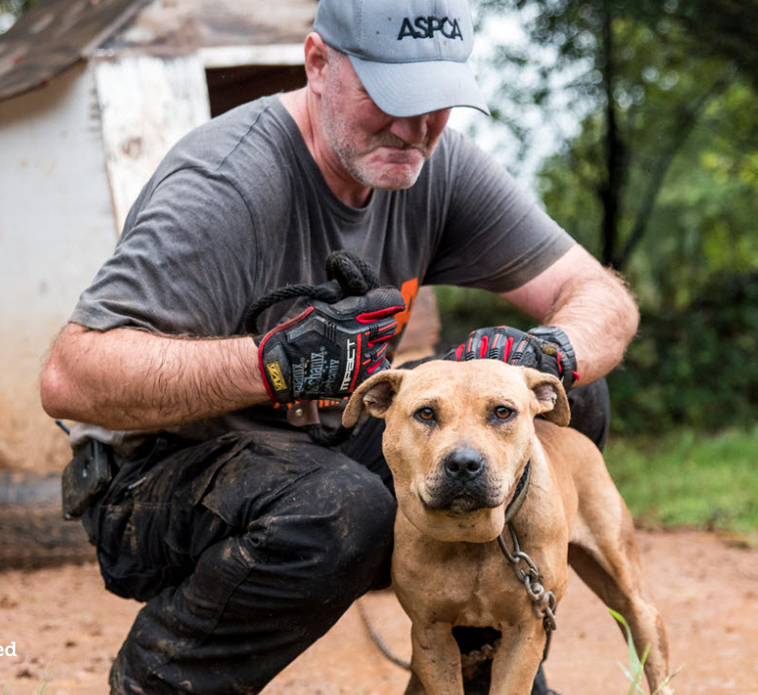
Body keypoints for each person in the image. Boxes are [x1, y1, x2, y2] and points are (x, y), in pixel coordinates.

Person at [40, 0, 638, 692]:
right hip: (152, 479)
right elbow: (70, 375)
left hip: (317, 448)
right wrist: (273, 365)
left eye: (435, 102)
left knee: (561, 399)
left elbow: (603, 297)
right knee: (343, 509)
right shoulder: (229, 183)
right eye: (390, 96)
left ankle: (475, 669)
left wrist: (553, 353)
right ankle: (161, 682)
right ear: (318, 64)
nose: (413, 128)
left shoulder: (432, 164)